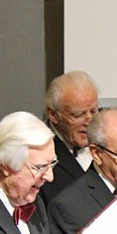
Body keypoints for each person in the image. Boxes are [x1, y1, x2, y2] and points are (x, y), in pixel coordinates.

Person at [40, 70, 100, 204]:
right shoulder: (37, 152)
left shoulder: (108, 144)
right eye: (78, 114)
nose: (89, 120)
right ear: (53, 115)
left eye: (94, 111)